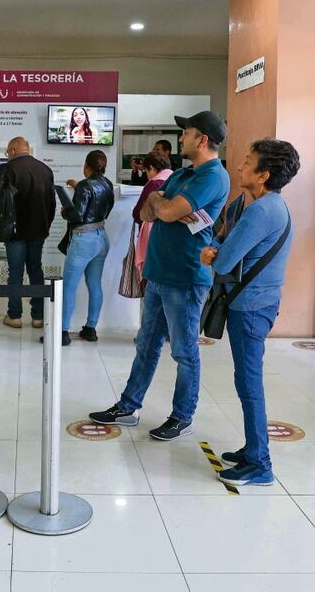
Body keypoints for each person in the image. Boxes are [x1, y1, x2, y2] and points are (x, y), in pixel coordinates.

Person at [89, 111, 230, 441]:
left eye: (187, 132)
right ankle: (129, 406)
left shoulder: (213, 176)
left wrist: (164, 206)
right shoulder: (182, 174)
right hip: (159, 273)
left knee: (183, 351)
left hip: (185, 276)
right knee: (146, 345)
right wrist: (159, 200)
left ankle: (182, 416)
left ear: (202, 140)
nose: (181, 138)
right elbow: (147, 212)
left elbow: (164, 211)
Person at [201, 140, 300, 486]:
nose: (240, 166)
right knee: (246, 379)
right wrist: (217, 247)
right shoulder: (257, 204)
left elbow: (224, 260)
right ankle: (252, 449)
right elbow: (222, 238)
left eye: (248, 161)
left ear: (263, 175)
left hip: (252, 307)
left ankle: (260, 463)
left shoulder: (262, 211)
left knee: (249, 381)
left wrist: (215, 252)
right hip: (254, 303)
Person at [0, 136, 56, 329]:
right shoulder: (45, 170)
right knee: (36, 269)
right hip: (38, 230)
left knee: (15, 271)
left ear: (12, 151)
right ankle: (38, 316)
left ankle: (14, 315)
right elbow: (52, 203)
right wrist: (45, 226)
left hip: (15, 231)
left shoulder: (6, 169)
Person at [57, 150, 114, 346]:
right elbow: (103, 206)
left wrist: (65, 211)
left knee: (68, 286)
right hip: (101, 237)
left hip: (83, 239)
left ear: (86, 166)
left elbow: (77, 215)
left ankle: (62, 332)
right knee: (94, 284)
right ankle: (90, 329)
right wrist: (78, 187)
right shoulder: (107, 184)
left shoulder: (85, 185)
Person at [132, 152, 174, 280]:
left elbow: (138, 213)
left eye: (146, 171)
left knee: (150, 279)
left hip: (153, 236)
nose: (147, 175)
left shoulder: (154, 184)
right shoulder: (177, 179)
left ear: (151, 168)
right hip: (172, 236)